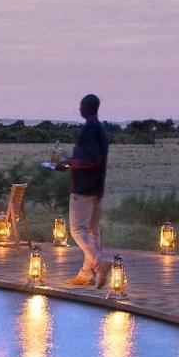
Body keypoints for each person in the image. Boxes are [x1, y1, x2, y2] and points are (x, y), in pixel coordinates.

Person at [56, 94, 111, 287]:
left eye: (81, 106)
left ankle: (98, 264)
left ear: (87, 108)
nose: (79, 110)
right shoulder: (101, 130)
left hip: (84, 187)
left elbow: (92, 160)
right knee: (92, 231)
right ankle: (86, 275)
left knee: (77, 230)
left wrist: (70, 163)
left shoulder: (89, 130)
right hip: (97, 187)